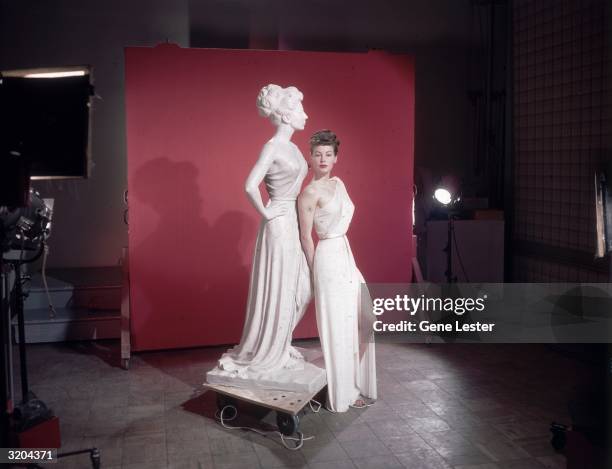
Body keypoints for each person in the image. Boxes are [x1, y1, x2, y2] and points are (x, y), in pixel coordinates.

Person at [213, 84, 312, 380]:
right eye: (299, 109)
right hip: (280, 224)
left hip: (292, 221)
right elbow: (249, 184)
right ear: (284, 115)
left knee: (302, 289)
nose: (305, 115)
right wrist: (268, 213)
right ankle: (271, 349)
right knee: (282, 287)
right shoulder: (273, 146)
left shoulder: (293, 147)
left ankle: (279, 342)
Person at [297, 129, 377, 412]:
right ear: (311, 157)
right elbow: (306, 238)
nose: (322, 159)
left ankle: (350, 381)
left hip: (346, 255)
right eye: (317, 154)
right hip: (327, 259)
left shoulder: (339, 183)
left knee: (367, 320)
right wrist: (313, 275)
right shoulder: (308, 193)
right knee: (340, 328)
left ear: (335, 158)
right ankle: (343, 392)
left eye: (328, 154)